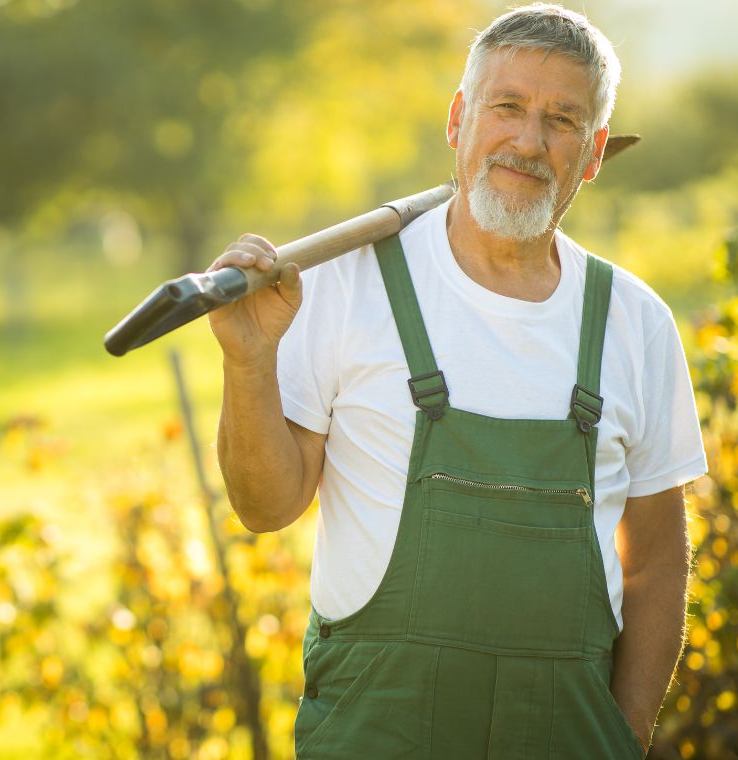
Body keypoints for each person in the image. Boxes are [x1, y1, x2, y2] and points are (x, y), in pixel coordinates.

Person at [207, 4, 707, 757]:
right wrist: (248, 362)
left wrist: (624, 736)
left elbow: (659, 562)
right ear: (458, 118)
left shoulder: (635, 323)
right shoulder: (347, 285)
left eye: (562, 120)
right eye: (507, 107)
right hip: (374, 734)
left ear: (596, 151)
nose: (528, 141)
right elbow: (264, 507)